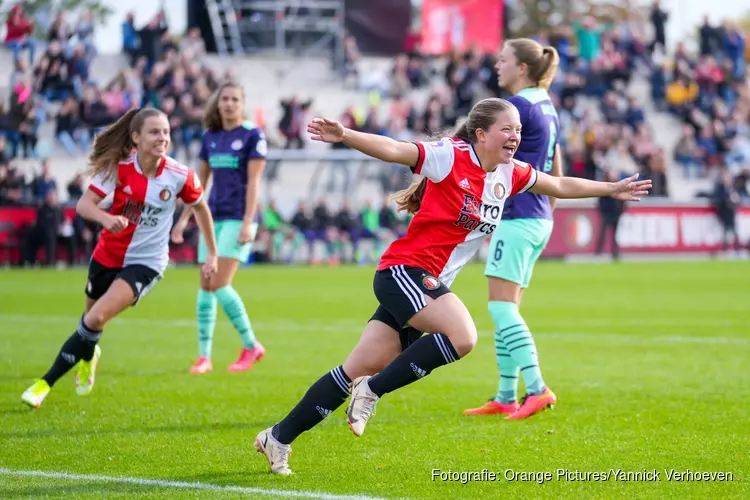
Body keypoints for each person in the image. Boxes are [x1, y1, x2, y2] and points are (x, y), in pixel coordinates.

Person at [253, 97, 651, 475]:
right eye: (506, 130)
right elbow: (394, 149)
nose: (514, 137)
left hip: (428, 284)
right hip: (404, 272)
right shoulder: (450, 156)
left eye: (517, 130)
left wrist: (610, 189)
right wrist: (346, 135)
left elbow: (559, 186)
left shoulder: (509, 175)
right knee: (463, 335)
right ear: (480, 134)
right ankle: (371, 392)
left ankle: (278, 437)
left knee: (354, 367)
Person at [21, 108, 219, 409]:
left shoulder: (180, 175)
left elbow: (202, 208)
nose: (162, 138)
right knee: (90, 323)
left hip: (146, 262)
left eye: (165, 132)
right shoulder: (118, 170)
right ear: (136, 137)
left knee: (96, 318)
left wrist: (212, 253)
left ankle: (44, 383)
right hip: (107, 254)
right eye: (154, 132)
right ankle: (89, 355)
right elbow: (83, 205)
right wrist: (104, 218)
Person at [463, 38, 565, 419]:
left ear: (522, 67)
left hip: (519, 215)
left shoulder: (519, 106)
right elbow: (555, 166)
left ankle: (537, 388)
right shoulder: (546, 105)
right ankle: (506, 393)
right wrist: (548, 210)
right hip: (538, 216)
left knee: (500, 308)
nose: (496, 64)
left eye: (503, 59)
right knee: (506, 308)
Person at [171, 82, 268, 374]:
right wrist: (185, 218)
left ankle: (251, 345)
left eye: (234, 99)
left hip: (239, 217)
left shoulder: (253, 135)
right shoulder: (211, 137)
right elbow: (197, 186)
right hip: (212, 218)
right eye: (224, 99)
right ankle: (204, 357)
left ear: (242, 103)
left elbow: (254, 182)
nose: (228, 104)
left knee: (219, 283)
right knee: (205, 284)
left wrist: (249, 221)